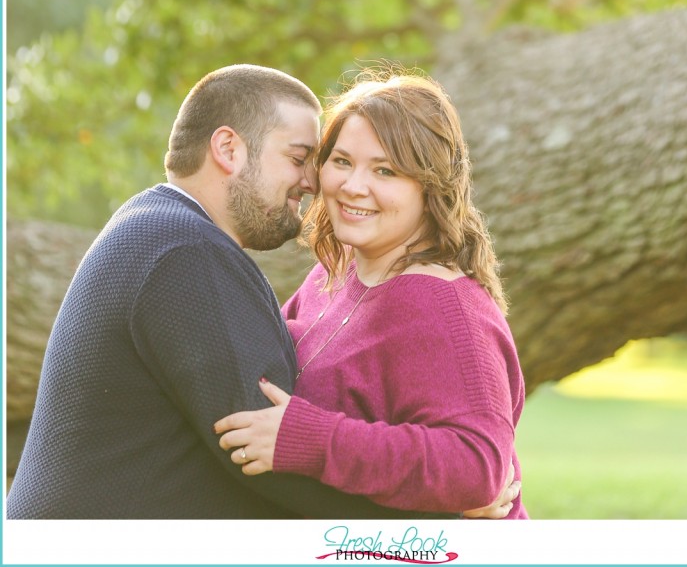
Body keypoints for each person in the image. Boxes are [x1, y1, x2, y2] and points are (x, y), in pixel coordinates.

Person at [6, 64, 463, 520]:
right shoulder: (185, 252)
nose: (312, 181)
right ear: (229, 149)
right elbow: (262, 451)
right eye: (297, 157)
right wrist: (446, 512)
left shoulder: (157, 226)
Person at [215, 72, 528, 519]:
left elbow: (478, 468)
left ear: (430, 186)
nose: (353, 185)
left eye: (385, 170)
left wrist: (311, 440)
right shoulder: (334, 271)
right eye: (341, 161)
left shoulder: (446, 307)